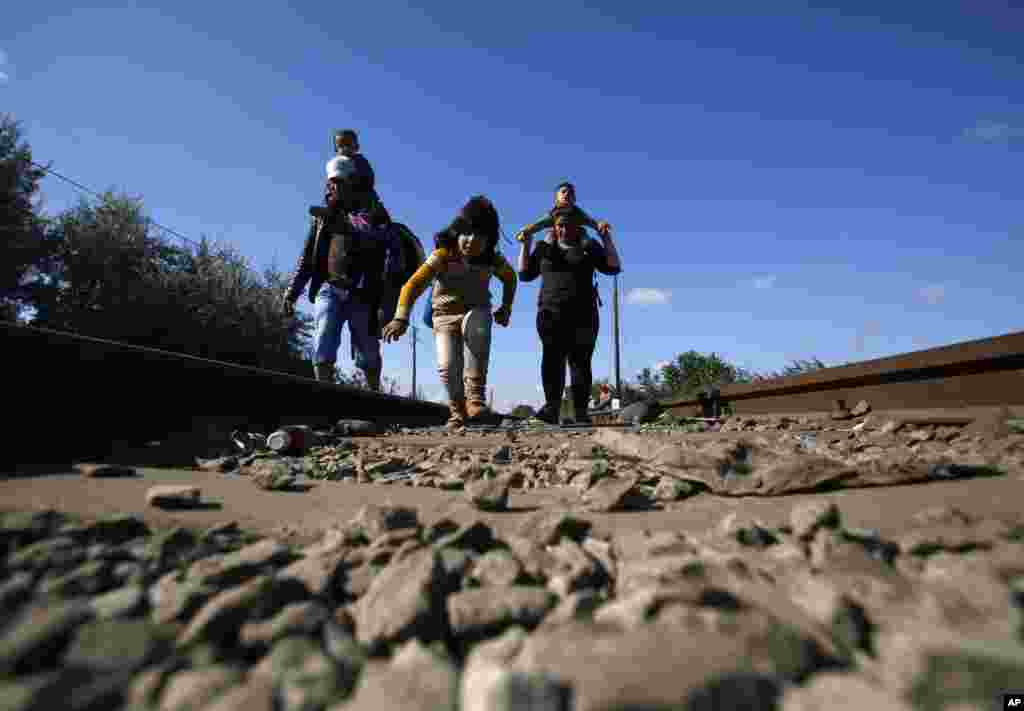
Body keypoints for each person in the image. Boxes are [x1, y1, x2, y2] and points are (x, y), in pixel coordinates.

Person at [382, 196, 517, 428]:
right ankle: (457, 411)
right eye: (467, 233)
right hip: (443, 316)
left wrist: (506, 307)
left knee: (478, 327)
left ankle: (475, 400)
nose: (471, 241)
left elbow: (510, 278)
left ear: (489, 240)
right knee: (448, 365)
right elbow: (412, 286)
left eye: (479, 236)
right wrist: (400, 318)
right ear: (457, 232)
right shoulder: (443, 256)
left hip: (476, 310)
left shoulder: (492, 260)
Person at [283, 166, 402, 390]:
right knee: (323, 338)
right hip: (329, 289)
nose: (330, 187)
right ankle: (325, 394)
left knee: (367, 350)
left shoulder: (375, 218)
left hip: (362, 294)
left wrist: (386, 306)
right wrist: (291, 292)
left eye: (337, 183)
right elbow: (307, 257)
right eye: (329, 184)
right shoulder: (323, 220)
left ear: (351, 186)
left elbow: (392, 259)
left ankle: (374, 395)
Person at [517, 204, 622, 425]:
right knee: (552, 361)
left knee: (581, 363)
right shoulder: (545, 247)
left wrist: (606, 239)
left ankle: (581, 413)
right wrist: (526, 246)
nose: (565, 229)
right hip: (550, 314)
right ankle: (552, 410)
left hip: (584, 315)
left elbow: (613, 266)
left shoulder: (588, 246)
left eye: (570, 225)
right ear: (555, 227)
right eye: (561, 225)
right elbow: (525, 274)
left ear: (578, 227)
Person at [515, 181, 612, 244]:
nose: (567, 194)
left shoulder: (578, 213)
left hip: (576, 237)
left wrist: (601, 225)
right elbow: (539, 224)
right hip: (558, 238)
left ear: (574, 199)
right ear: (556, 199)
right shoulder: (553, 214)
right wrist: (525, 231)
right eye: (563, 192)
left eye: (570, 193)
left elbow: (591, 222)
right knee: (549, 237)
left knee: (585, 238)